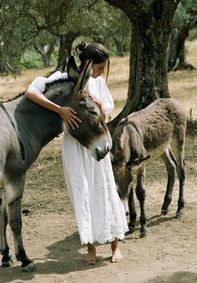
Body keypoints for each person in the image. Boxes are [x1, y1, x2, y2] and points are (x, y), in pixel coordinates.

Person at [25, 42, 128, 264]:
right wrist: (59, 110)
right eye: (100, 68)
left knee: (105, 189)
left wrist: (98, 105)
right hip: (74, 146)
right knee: (83, 195)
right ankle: (90, 247)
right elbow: (30, 92)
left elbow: (105, 115)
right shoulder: (64, 79)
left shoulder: (99, 84)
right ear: (89, 63)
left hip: (95, 143)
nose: (101, 73)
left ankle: (115, 245)